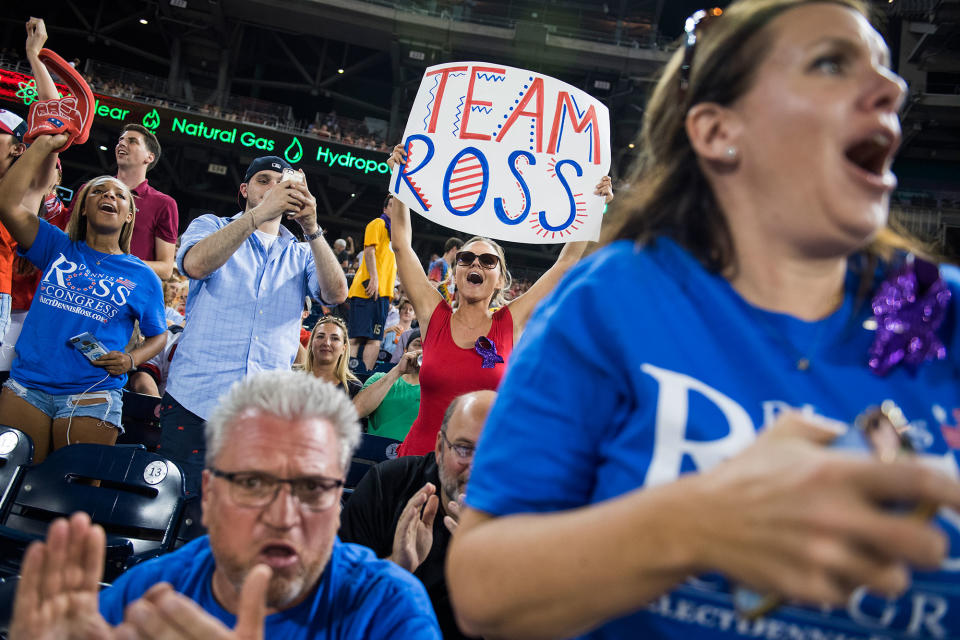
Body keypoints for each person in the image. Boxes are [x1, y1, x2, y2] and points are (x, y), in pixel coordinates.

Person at [446, 2, 960, 639]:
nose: (893, 87)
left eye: (885, 69)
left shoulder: (944, 314)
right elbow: (482, 590)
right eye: (831, 64)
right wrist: (698, 523)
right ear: (719, 131)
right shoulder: (614, 300)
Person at [8, 370, 442, 639]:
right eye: (253, 483)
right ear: (210, 498)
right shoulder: (153, 594)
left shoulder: (388, 608)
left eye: (312, 488)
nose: (283, 514)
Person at [387, 144, 613, 457]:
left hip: (479, 474)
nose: (476, 264)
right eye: (466, 258)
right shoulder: (432, 315)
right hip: (416, 462)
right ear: (456, 271)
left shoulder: (510, 321)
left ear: (500, 280)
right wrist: (400, 182)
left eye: (487, 261)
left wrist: (594, 205)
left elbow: (564, 264)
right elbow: (401, 244)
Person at [161, 155, 347, 497]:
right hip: (196, 400)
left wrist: (312, 227)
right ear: (244, 189)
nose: (273, 188)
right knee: (175, 509)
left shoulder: (302, 252)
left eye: (282, 183)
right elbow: (196, 265)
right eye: (264, 181)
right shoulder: (211, 225)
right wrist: (261, 213)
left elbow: (335, 294)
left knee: (239, 522)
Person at [0, 132, 166, 463]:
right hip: (26, 387)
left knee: (70, 493)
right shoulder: (55, 245)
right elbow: (7, 204)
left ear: (129, 215)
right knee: (7, 485)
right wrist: (44, 145)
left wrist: (132, 360)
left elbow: (159, 334)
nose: (109, 196)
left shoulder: (143, 276)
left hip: (93, 393)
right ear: (84, 207)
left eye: (119, 195)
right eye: (99, 192)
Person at [341, 390, 494, 639]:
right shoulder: (387, 485)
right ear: (439, 447)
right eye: (464, 449)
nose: (476, 467)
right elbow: (337, 604)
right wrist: (397, 567)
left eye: (492, 452)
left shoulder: (526, 520)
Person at [347, 195, 397, 372]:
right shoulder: (378, 223)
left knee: (375, 339)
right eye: (391, 205)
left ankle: (365, 377)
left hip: (382, 294)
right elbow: (369, 251)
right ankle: (348, 375)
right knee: (356, 337)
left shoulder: (396, 235)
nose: (394, 209)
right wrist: (375, 279)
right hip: (366, 289)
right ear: (385, 209)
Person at [353, 330, 422, 441]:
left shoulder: (443, 389)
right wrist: (397, 371)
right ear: (405, 350)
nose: (421, 351)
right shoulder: (379, 378)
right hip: (377, 454)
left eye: (428, 345)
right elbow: (356, 411)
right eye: (417, 344)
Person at [305, 315, 362, 397]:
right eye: (320, 336)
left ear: (343, 348)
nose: (326, 343)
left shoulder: (354, 388)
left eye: (335, 338)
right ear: (311, 343)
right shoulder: (291, 374)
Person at [381, 296, 415, 361]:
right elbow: (377, 348)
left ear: (415, 315)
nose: (407, 311)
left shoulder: (414, 335)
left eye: (411, 310)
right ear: (399, 312)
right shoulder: (388, 329)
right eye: (404, 308)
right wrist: (385, 332)